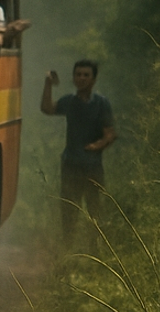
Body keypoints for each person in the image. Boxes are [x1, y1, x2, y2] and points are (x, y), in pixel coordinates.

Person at [40, 60, 116, 239]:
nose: (81, 78)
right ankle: (68, 252)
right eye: (78, 74)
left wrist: (97, 145)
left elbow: (110, 134)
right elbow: (47, 108)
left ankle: (94, 252)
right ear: (73, 78)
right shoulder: (70, 101)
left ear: (93, 79)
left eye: (86, 75)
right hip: (71, 164)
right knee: (69, 210)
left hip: (92, 166)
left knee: (94, 209)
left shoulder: (101, 103)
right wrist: (48, 84)